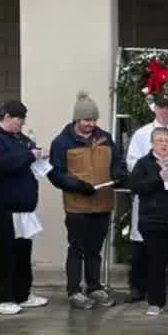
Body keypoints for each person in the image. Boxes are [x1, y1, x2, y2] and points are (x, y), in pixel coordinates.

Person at [47, 91, 126, 310]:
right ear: (76, 119)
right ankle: (74, 290)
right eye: (86, 120)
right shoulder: (62, 142)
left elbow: (117, 162)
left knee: (94, 248)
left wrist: (119, 174)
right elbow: (55, 173)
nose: (91, 124)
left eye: (93, 120)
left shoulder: (105, 138)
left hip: (103, 202)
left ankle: (94, 287)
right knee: (77, 247)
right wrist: (77, 186)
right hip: (77, 205)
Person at [124, 94, 168, 303]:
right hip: (151, 199)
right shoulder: (142, 134)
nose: (165, 111)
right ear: (154, 109)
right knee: (144, 246)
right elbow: (132, 163)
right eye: (161, 107)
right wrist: (155, 173)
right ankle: (139, 286)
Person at [0, 100, 45, 315]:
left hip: (23, 207)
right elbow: (0, 164)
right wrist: (28, 155)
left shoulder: (18, 138)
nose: (22, 124)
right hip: (3, 206)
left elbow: (27, 151)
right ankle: (1, 297)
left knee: (22, 252)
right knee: (4, 253)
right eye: (20, 119)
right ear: (7, 117)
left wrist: (37, 152)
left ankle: (22, 293)